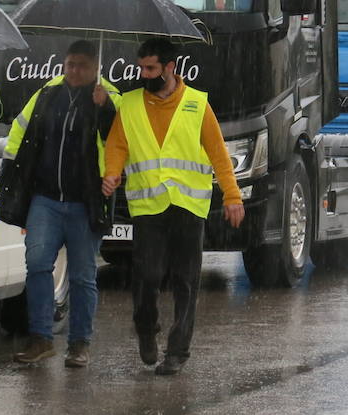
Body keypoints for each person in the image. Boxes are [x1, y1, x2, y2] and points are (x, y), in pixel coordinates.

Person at [102, 38, 244, 375]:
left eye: (150, 68)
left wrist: (232, 195)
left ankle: (178, 351)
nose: (143, 73)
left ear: (170, 68)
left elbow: (218, 154)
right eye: (141, 67)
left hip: (188, 207)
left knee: (186, 280)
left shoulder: (197, 104)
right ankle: (146, 328)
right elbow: (116, 145)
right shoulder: (130, 103)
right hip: (149, 205)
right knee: (147, 276)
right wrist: (111, 173)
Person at [0, 40, 117, 368]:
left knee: (82, 276)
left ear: (96, 68)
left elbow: (120, 143)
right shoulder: (47, 94)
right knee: (36, 264)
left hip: (85, 203)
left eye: (82, 65)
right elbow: (20, 135)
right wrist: (11, 180)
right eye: (70, 64)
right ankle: (40, 338)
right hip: (45, 200)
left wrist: (104, 109)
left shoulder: (109, 98)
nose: (74, 71)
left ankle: (80, 343)